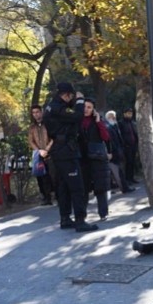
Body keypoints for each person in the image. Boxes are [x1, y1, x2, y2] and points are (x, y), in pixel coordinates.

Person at [44, 82, 98, 232]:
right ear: (66, 94)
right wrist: (80, 101)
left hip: (59, 150)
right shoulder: (57, 108)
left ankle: (65, 218)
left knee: (63, 187)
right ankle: (80, 220)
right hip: (66, 151)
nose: (72, 99)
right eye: (72, 96)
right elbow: (78, 116)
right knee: (77, 187)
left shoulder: (52, 106)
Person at [79, 98, 112, 221]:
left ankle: (103, 213)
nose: (86, 109)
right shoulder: (77, 121)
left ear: (93, 110)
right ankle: (82, 215)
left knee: (100, 187)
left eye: (89, 107)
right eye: (84, 107)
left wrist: (98, 122)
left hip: (97, 158)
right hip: (82, 158)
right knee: (83, 188)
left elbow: (106, 137)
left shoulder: (98, 121)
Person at [28, 105, 54, 205]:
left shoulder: (48, 124)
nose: (36, 114)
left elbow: (53, 137)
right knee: (42, 176)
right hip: (39, 154)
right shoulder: (32, 127)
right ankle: (46, 197)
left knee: (53, 175)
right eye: (34, 112)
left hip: (50, 153)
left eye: (37, 112)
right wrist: (39, 150)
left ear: (41, 112)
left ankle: (58, 195)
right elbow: (31, 141)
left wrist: (47, 149)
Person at [104, 111, 135, 193]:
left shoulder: (114, 126)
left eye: (114, 116)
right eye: (111, 116)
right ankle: (124, 188)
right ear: (107, 118)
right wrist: (110, 152)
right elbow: (109, 141)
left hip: (117, 151)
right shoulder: (108, 127)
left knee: (115, 172)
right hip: (113, 153)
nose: (114, 118)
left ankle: (113, 188)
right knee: (118, 172)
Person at [119, 107, 139, 184]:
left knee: (132, 162)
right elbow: (120, 135)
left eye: (131, 113)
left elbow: (135, 134)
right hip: (126, 146)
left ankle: (131, 178)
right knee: (127, 163)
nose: (129, 115)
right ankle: (127, 179)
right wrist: (123, 144)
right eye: (128, 113)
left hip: (133, 145)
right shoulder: (121, 123)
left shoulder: (132, 123)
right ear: (124, 114)